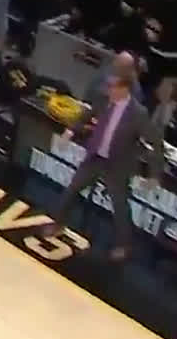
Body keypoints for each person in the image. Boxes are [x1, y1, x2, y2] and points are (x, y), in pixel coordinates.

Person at [39, 75, 149, 261]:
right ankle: (58, 224)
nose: (109, 91)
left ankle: (123, 245)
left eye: (113, 88)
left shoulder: (138, 112)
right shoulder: (104, 101)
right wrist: (70, 131)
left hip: (117, 165)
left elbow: (147, 140)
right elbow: (84, 117)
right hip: (95, 158)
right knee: (72, 190)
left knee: (120, 206)